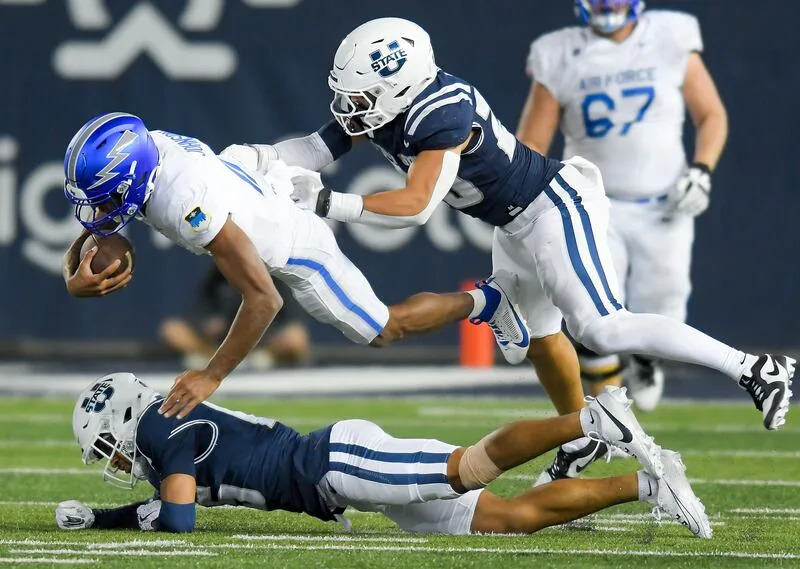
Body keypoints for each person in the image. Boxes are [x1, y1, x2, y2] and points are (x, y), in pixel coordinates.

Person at [223, 17, 793, 483]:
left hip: (552, 208)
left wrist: (328, 203)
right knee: (541, 341)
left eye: (362, 95)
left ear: (399, 86)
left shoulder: (441, 112)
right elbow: (315, 147)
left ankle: (756, 368)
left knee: (603, 328)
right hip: (511, 223)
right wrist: (256, 158)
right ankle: (581, 431)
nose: (350, 105)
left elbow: (417, 205)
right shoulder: (387, 106)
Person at [61, 113, 529, 420]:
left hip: (291, 234)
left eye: (103, 197)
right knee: (304, 149)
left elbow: (264, 300)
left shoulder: (185, 202)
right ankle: (366, 120)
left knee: (383, 329)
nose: (96, 211)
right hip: (248, 175)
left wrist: (211, 375)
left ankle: (486, 301)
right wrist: (74, 267)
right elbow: (110, 218)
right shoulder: (153, 148)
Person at [55, 372, 711, 538]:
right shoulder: (167, 428)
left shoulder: (161, 428)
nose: (116, 461)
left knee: (468, 467)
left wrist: (112, 520)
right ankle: (649, 484)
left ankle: (589, 417)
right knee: (510, 520)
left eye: (109, 446)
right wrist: (100, 517)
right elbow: (167, 505)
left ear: (127, 419)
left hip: (336, 463)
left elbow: (176, 520)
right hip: (337, 477)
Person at [517, 0, 728, 414]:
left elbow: (711, 114)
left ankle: (645, 363)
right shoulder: (558, 51)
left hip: (665, 204)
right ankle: (610, 410)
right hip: (594, 204)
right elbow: (532, 144)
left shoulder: (670, 34)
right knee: (591, 313)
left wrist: (702, 170)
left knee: (664, 308)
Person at [159, 263, 310, 370]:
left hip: (259, 343)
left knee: (296, 337)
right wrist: (207, 323)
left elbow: (288, 320)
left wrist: (264, 330)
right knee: (172, 330)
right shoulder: (218, 273)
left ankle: (259, 360)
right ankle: (214, 362)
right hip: (219, 342)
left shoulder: (271, 276)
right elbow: (200, 309)